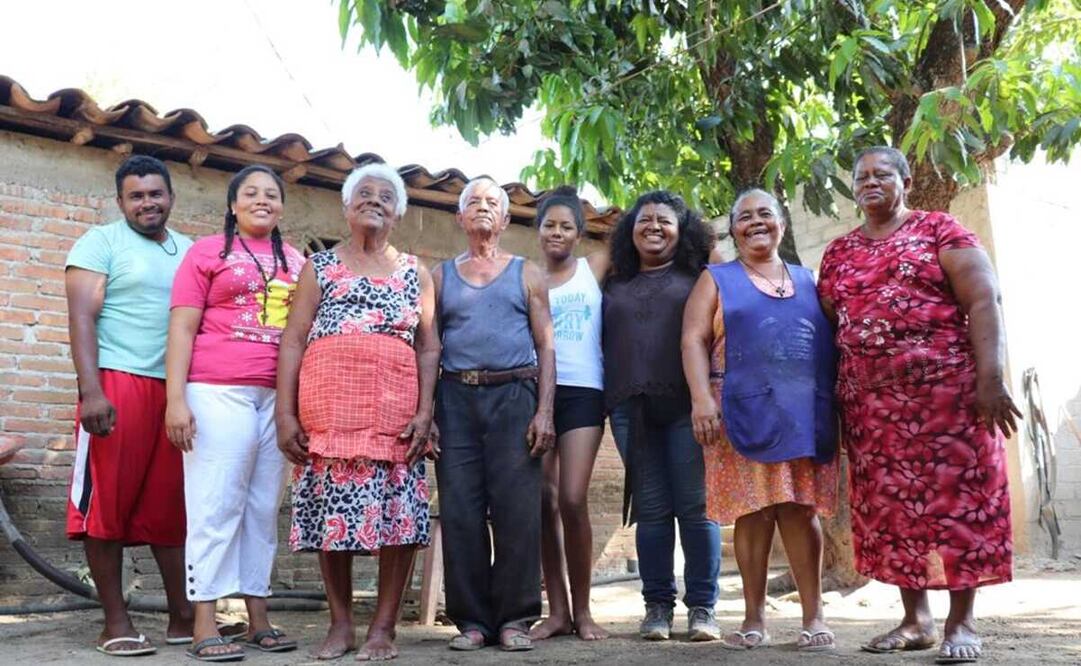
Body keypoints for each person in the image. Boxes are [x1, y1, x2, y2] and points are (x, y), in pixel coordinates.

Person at [818, 146, 1019, 665]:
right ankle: (916, 620)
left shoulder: (939, 230)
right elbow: (828, 327)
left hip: (948, 399)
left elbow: (983, 299)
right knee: (892, 513)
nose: (869, 181)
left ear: (906, 180)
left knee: (959, 505)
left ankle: (961, 622)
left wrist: (991, 379)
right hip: (871, 410)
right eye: (861, 175)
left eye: (882, 172)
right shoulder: (839, 252)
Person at [276, 163, 439, 662]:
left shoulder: (416, 272)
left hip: (396, 417)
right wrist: (286, 413)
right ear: (346, 208)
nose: (374, 200)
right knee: (334, 518)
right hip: (329, 416)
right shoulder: (319, 267)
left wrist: (426, 411)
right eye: (363, 193)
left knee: (399, 520)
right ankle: (341, 624)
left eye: (385, 195)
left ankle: (383, 628)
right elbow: (294, 339)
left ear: (398, 212)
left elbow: (429, 348)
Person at [681, 188, 839, 652]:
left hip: (800, 411)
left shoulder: (809, 279)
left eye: (765, 214)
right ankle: (753, 620)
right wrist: (700, 401)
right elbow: (692, 340)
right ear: (732, 230)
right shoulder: (716, 278)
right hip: (735, 408)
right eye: (744, 216)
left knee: (798, 506)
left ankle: (814, 617)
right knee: (752, 508)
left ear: (782, 225)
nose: (755, 222)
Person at [165, 164, 304, 661]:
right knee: (215, 504)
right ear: (233, 205)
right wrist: (175, 399)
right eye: (251, 193)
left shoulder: (296, 260)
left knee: (262, 509)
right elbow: (182, 328)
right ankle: (204, 621)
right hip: (216, 390)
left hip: (276, 398)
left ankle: (257, 619)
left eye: (271, 193)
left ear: (282, 206)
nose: (262, 200)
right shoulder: (206, 252)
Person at [64, 155, 194, 656]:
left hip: (174, 390)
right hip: (117, 384)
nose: (148, 202)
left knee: (168, 507)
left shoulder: (189, 250)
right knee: (107, 507)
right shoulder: (100, 242)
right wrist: (91, 391)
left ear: (170, 197)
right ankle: (115, 622)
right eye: (136, 195)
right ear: (120, 201)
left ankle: (183, 617)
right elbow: (81, 318)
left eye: (155, 193)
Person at [433, 176, 556, 652]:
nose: (482, 208)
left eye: (492, 203)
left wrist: (544, 411)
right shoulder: (441, 275)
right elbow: (430, 347)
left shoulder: (526, 272)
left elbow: (546, 344)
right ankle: (471, 622)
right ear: (459, 218)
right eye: (473, 202)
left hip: (514, 396)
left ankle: (515, 619)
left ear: (505, 220)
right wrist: (428, 414)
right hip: (456, 398)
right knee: (461, 510)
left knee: (517, 510)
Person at [603, 190, 721, 642]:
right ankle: (656, 607)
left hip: (688, 407)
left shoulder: (700, 276)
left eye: (665, 220)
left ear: (683, 230)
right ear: (629, 232)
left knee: (696, 508)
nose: (653, 226)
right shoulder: (612, 280)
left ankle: (703, 609)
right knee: (650, 512)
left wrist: (705, 400)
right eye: (643, 220)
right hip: (631, 408)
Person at [530, 187, 610, 642]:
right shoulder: (528, 277)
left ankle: (583, 610)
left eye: (566, 226)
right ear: (537, 231)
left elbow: (644, 235)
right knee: (544, 499)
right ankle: (557, 611)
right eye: (549, 225)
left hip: (585, 391)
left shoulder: (593, 267)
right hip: (539, 394)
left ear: (579, 234)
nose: (557, 232)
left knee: (573, 498)